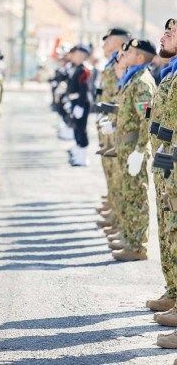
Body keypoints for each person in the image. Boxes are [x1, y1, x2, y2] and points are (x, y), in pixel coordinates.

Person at [109, 39, 156, 261]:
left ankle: (137, 246)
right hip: (126, 146)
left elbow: (146, 120)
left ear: (139, 58)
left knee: (136, 196)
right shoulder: (133, 79)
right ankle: (130, 238)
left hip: (134, 146)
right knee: (128, 193)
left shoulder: (142, 83)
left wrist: (140, 150)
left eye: (129, 53)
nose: (123, 56)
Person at [144, 19, 177, 317]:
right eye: (165, 31)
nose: (164, 36)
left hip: (175, 163)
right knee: (168, 231)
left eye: (172, 32)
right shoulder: (169, 73)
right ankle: (174, 293)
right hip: (166, 163)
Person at [95, 28, 131, 236]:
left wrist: (114, 121)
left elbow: (121, 97)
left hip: (117, 124)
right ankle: (114, 211)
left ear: (117, 42)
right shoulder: (111, 63)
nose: (103, 44)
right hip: (108, 120)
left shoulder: (123, 63)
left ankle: (120, 219)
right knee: (110, 170)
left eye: (107, 40)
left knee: (119, 173)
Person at [65, 44, 91, 166]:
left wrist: (80, 105)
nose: (74, 57)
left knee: (81, 129)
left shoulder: (83, 69)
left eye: (77, 55)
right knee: (76, 128)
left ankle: (83, 158)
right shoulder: (76, 68)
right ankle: (78, 155)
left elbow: (84, 89)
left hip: (81, 103)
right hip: (75, 102)